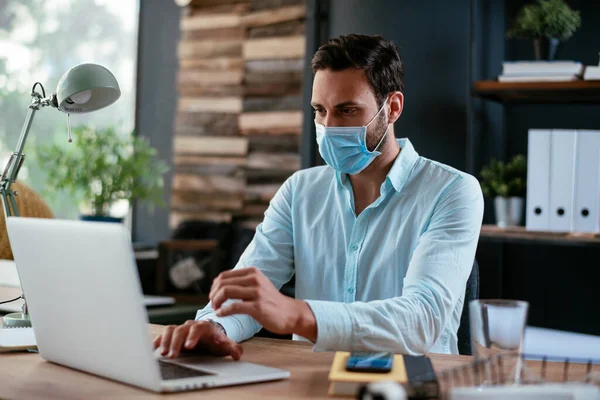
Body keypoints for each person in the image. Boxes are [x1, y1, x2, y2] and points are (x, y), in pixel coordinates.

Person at [154, 34, 484, 360]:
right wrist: (215, 327)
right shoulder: (300, 192)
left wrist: (299, 315)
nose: (328, 126)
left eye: (347, 110)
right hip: (311, 381)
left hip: (412, 386)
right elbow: (245, 296)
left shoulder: (453, 192)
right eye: (319, 110)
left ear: (393, 108)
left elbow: (421, 321)